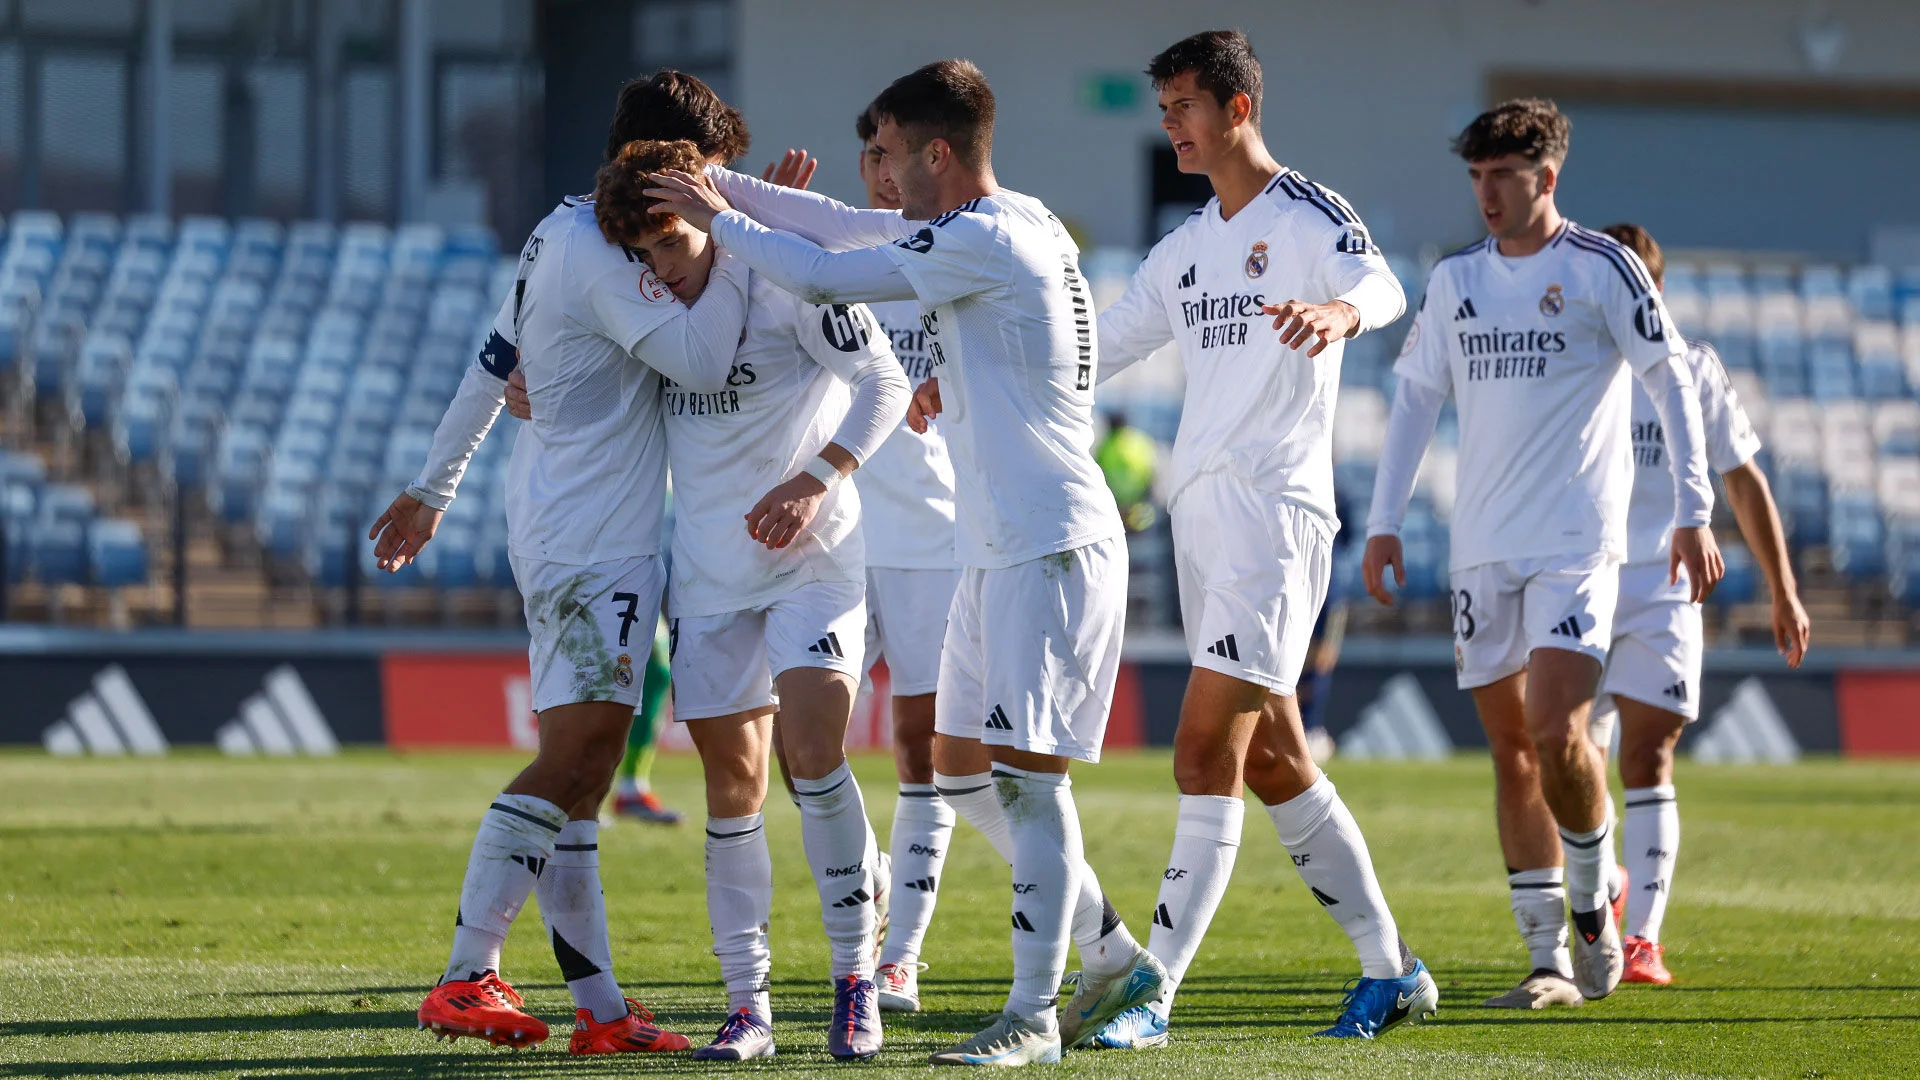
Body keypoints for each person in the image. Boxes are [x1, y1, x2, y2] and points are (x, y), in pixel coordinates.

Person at [647, 59, 1162, 1066]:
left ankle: (1030, 1018)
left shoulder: (985, 238)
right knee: (962, 777)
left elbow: (829, 271)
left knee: (1027, 785)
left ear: (935, 153)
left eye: (882, 150)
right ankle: (1117, 957)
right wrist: (715, 183)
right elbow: (848, 229)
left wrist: (724, 213)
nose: (870, 169)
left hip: (1051, 543)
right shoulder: (1018, 220)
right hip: (995, 547)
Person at [517, 137, 909, 1060]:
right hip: (706, 577)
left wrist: (817, 477)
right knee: (730, 789)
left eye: (675, 244)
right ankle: (750, 1008)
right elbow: (581, 379)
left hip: (813, 558)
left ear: (710, 220)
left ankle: (856, 985)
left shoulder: (788, 284)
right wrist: (531, 386)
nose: (661, 269)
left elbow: (884, 382)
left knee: (812, 756)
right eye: (645, 252)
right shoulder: (649, 314)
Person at [375, 119, 752, 1059]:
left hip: (561, 527)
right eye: (706, 170)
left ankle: (602, 1009)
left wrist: (434, 488)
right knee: (578, 762)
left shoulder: (559, 229)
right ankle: (466, 975)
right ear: (673, 158)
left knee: (581, 788)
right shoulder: (606, 252)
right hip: (594, 543)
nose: (712, 190)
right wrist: (740, 245)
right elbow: (705, 360)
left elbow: (495, 361)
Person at [1088, 30, 1434, 1047]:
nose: (1172, 127)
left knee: (1206, 751)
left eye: (1184, 107)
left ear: (1237, 109)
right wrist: (978, 382)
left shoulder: (1307, 213)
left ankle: (1154, 992)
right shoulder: (1188, 247)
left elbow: (1384, 286)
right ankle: (1394, 970)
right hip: (1200, 522)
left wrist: (1338, 312)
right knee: (1277, 760)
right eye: (1163, 111)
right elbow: (1097, 344)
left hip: (1275, 520)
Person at [1363, 99, 1724, 1009]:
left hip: (1576, 546)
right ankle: (1548, 960)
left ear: (1547, 178)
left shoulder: (1602, 268)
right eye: (1476, 176)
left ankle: (1596, 906)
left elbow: (1670, 377)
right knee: (1512, 753)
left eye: (1503, 176)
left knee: (1559, 727)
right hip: (1483, 549)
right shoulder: (1455, 282)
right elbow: (1412, 400)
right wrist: (1383, 521)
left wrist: (1694, 507)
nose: (1486, 192)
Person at [1584, 223, 1811, 986]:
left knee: (1650, 755)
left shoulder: (1694, 371)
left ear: (1655, 288)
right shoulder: (1571, 360)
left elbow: (1744, 481)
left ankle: (1642, 937)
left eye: (1636, 284)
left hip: (1663, 586)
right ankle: (1608, 882)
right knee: (1569, 758)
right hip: (1575, 577)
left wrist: (1782, 588)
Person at [830, 106, 963, 1016]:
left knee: (925, 750)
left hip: (934, 540)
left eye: (894, 153)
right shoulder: (838, 266)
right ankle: (868, 865)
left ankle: (901, 955)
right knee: (802, 740)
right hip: (832, 533)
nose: (882, 171)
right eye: (870, 155)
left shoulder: (969, 255)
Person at [609, 615, 683, 824]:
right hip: (612, 590)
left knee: (655, 676)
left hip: (638, 591)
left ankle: (632, 788)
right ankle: (578, 797)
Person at [1094, 411, 1159, 533]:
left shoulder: (1106, 445)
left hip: (1117, 500)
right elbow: (1152, 466)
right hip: (1139, 498)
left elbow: (1098, 468)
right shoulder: (1139, 439)